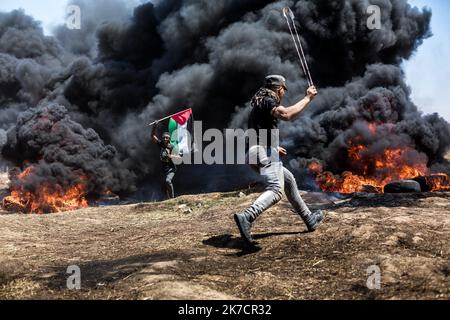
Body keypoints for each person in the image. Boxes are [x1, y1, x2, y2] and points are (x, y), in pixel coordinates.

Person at [234, 75, 324, 244]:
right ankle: (247, 216)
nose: (283, 94)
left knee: (288, 181)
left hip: (254, 152)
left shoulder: (258, 104)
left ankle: (309, 219)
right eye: (283, 90)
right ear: (279, 89)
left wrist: (274, 148)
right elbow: (287, 114)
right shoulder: (268, 100)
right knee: (276, 190)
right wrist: (308, 97)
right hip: (262, 152)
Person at [151, 121, 180, 199]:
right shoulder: (161, 144)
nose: (165, 138)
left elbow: (180, 157)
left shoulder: (172, 147)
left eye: (166, 137)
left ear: (169, 139)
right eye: (163, 137)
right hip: (163, 169)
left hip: (171, 169)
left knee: (168, 181)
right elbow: (153, 136)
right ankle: (167, 199)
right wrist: (154, 126)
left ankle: (173, 199)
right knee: (163, 186)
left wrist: (171, 156)